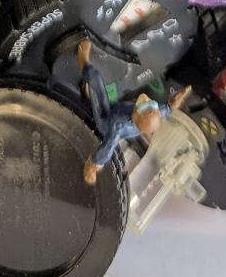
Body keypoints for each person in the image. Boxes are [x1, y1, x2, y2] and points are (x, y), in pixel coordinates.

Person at [78, 39, 189, 185]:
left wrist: (93, 166)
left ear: (136, 116)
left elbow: (108, 147)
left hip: (106, 119)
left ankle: (83, 61)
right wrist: (180, 96)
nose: (147, 100)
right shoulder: (154, 112)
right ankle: (91, 91)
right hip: (119, 107)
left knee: (94, 77)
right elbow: (168, 108)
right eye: (152, 104)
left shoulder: (119, 125)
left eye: (144, 106)